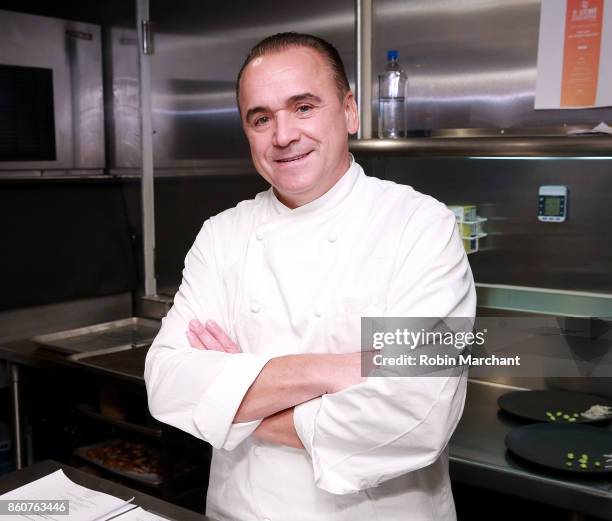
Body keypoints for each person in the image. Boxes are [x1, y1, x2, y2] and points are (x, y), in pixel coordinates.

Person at [145, 32, 475, 521]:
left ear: (348, 110)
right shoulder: (222, 235)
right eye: (261, 118)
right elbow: (168, 384)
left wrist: (231, 400)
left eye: (303, 107)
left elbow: (417, 413)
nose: (283, 136)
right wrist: (343, 367)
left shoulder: (419, 226)